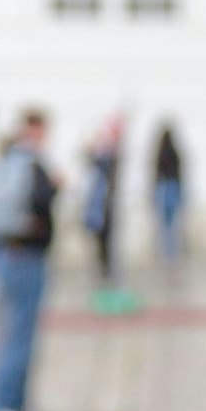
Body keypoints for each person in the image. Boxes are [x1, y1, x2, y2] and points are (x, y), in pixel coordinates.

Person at [0, 108, 59, 411]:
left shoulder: (0, 163)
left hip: (4, 252)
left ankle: (5, 404)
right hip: (26, 256)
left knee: (4, 332)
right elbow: (41, 202)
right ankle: (7, 407)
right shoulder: (31, 165)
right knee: (20, 335)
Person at [81, 115, 123, 286]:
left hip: (105, 205)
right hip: (98, 206)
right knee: (100, 242)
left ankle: (107, 273)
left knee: (106, 242)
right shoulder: (100, 158)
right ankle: (103, 272)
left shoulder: (110, 157)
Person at [152, 122, 186, 269]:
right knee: (172, 226)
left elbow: (157, 173)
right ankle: (172, 256)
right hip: (172, 188)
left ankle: (168, 255)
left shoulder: (161, 152)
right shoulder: (175, 152)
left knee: (165, 226)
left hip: (164, 189)